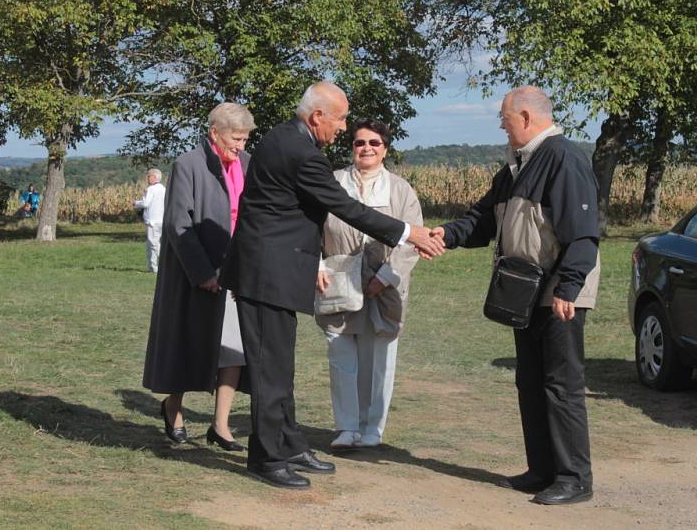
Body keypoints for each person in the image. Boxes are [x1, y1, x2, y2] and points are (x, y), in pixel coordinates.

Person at [220, 81, 444, 489]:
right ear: (318, 115)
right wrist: (408, 232)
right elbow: (345, 208)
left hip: (273, 271)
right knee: (271, 368)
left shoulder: (284, 136)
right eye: (340, 119)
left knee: (279, 365)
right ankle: (267, 457)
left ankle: (288, 443)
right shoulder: (302, 152)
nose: (342, 128)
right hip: (267, 273)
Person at [432, 86, 600, 505]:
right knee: (530, 382)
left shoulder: (563, 158)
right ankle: (542, 470)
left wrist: (568, 287)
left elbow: (583, 233)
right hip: (525, 292)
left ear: (526, 117)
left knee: (561, 385)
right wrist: (444, 236)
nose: (502, 126)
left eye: (505, 119)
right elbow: (483, 219)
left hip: (558, 293)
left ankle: (574, 478)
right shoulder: (514, 167)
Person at [142, 102, 256, 453]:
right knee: (188, 344)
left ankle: (220, 425)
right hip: (196, 275)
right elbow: (179, 224)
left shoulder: (248, 164)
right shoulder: (188, 165)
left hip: (237, 271)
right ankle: (173, 408)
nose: (240, 146)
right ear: (214, 133)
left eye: (245, 139)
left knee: (235, 348)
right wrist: (202, 272)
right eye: (236, 138)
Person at [315, 119, 422, 450]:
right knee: (342, 355)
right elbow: (309, 229)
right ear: (352, 147)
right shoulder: (332, 183)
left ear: (385, 148)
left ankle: (372, 427)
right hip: (339, 280)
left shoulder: (400, 189)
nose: (367, 149)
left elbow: (412, 239)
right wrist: (315, 265)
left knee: (379, 359)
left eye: (374, 143)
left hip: (385, 287)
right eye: (360, 143)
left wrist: (384, 277)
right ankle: (346, 426)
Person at [134, 169, 166, 273]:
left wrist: (136, 203)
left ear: (155, 177)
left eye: (149, 176)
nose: (147, 178)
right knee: (156, 243)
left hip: (152, 221)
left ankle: (157, 266)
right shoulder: (163, 189)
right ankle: (153, 267)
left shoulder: (151, 189)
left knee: (153, 244)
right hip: (161, 220)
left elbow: (146, 203)